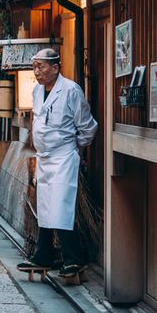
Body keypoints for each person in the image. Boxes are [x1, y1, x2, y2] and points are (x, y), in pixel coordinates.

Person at [17, 48, 98, 279]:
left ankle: (74, 259)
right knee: (44, 205)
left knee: (61, 205)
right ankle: (44, 255)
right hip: (44, 157)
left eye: (40, 67)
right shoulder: (36, 91)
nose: (36, 72)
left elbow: (88, 127)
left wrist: (74, 147)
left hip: (63, 156)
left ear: (55, 67)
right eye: (34, 67)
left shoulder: (71, 90)